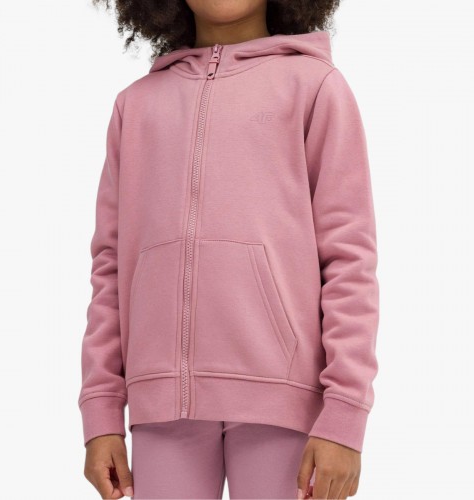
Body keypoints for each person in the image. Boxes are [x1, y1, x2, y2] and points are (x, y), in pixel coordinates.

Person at [78, 1, 380, 499]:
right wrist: (101, 411)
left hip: (286, 405)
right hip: (161, 405)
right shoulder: (136, 105)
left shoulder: (315, 87)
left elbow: (349, 261)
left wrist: (345, 415)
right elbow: (110, 269)